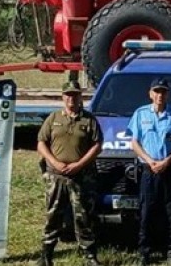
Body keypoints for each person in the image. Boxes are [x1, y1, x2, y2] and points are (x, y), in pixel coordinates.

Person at [36, 80, 103, 266]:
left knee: (83, 217)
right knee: (53, 216)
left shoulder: (89, 120)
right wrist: (54, 162)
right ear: (63, 97)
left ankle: (89, 256)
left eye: (75, 95)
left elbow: (97, 146)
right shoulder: (53, 118)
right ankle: (46, 255)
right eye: (68, 95)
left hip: (80, 177)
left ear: (80, 97)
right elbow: (41, 143)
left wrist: (80, 164)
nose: (71, 99)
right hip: (56, 177)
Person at [128, 78, 171, 266]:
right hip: (149, 170)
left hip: (170, 170)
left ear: (167, 94)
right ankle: (144, 252)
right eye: (157, 91)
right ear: (150, 93)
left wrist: (167, 161)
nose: (160, 95)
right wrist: (150, 161)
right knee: (146, 212)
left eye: (163, 91)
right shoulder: (140, 114)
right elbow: (134, 143)